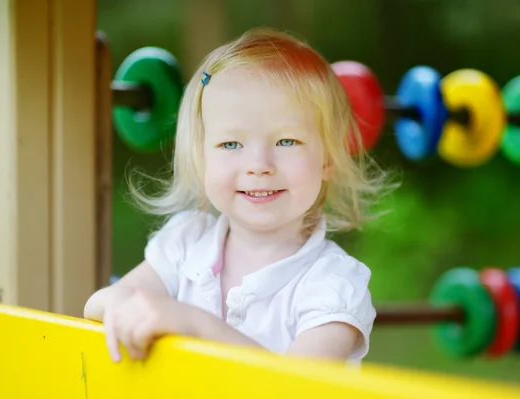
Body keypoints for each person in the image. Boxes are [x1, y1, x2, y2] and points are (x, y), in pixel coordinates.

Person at [83, 27, 393, 364]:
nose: (259, 165)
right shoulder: (186, 242)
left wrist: (197, 325)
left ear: (328, 159)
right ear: (202, 159)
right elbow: (99, 304)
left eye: (286, 141)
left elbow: (298, 389)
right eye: (231, 144)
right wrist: (119, 304)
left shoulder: (332, 283)